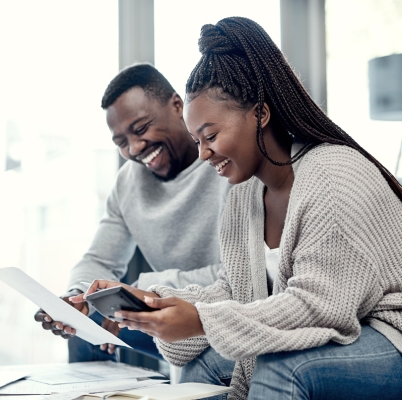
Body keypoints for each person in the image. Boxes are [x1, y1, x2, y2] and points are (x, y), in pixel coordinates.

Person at [74, 17, 402, 400]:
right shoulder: (246, 193)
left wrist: (200, 320)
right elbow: (236, 289)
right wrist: (158, 302)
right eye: (197, 139)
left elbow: (320, 307)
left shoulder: (332, 175)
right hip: (339, 325)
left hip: (385, 332)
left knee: (281, 369)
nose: (203, 153)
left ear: (260, 114)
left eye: (211, 136)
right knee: (203, 367)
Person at [34, 63, 232, 363]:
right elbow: (99, 260)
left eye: (140, 129)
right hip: (160, 309)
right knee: (85, 329)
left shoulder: (227, 163)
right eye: (121, 142)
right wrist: (77, 299)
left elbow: (236, 277)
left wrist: (141, 292)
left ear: (177, 106)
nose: (135, 147)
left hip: (219, 314)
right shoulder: (128, 182)